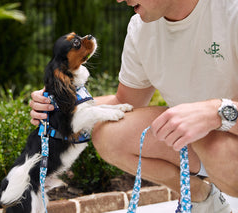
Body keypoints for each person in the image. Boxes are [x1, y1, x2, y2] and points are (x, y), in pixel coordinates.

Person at [29, 0, 238, 212]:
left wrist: (217, 112)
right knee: (111, 134)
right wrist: (58, 103)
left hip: (228, 144)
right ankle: (202, 199)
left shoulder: (231, 10)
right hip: (200, 142)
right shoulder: (141, 28)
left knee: (217, 149)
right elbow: (125, 103)